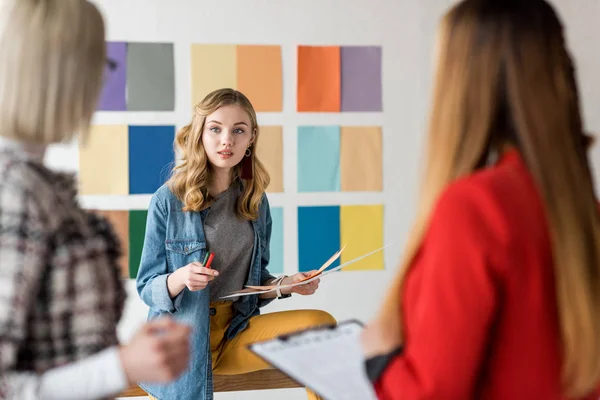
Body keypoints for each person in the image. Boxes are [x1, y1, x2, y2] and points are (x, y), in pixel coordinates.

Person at [361, 0, 600, 399]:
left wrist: (379, 359)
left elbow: (432, 393)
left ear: (460, 84)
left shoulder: (475, 208)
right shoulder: (585, 211)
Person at [0, 1, 191, 399]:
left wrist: (125, 356)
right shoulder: (13, 192)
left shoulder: (33, 184)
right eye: (100, 64)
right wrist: (121, 366)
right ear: (66, 72)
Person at [136, 88, 336, 400]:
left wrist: (288, 285)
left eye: (238, 130)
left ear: (251, 137)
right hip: (183, 344)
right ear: (201, 133)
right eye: (215, 128)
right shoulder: (168, 200)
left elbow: (256, 283)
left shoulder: (254, 199)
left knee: (321, 327)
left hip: (236, 333)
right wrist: (179, 278)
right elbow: (147, 287)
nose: (226, 140)